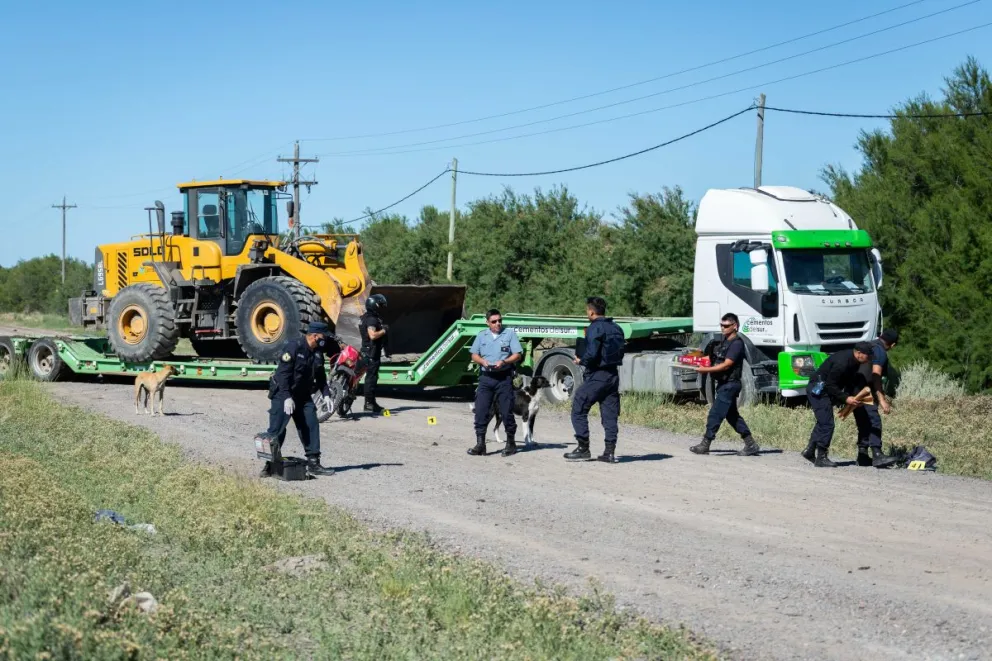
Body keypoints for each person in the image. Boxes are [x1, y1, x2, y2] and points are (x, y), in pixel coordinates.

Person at [259, 321, 336, 477]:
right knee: (277, 430)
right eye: (324, 337)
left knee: (311, 424)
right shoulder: (294, 347)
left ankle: (313, 463)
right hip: (283, 393)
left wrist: (326, 394)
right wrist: (287, 397)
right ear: (315, 336)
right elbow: (283, 375)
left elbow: (321, 376)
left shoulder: (317, 352)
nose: (326, 340)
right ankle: (270, 465)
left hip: (303, 395)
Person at [689, 313, 760, 457]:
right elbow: (713, 358)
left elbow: (727, 365)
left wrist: (705, 370)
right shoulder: (724, 342)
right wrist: (693, 358)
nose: (723, 328)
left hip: (730, 384)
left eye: (726, 326)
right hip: (723, 384)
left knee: (715, 414)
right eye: (721, 325)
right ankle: (750, 444)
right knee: (732, 416)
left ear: (735, 326)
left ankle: (705, 444)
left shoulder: (737, 344)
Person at [565, 296, 625, 464]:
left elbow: (591, 353)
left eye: (587, 310)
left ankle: (583, 448)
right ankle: (609, 452)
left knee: (579, 405)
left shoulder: (594, 328)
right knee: (610, 415)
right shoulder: (616, 328)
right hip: (613, 376)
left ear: (591, 312)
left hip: (597, 376)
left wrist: (581, 360)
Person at [802, 341, 876, 468]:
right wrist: (846, 398)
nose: (869, 358)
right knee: (827, 424)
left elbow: (847, 381)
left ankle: (810, 450)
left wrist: (855, 399)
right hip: (818, 390)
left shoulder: (854, 361)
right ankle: (821, 457)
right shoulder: (842, 362)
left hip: (825, 390)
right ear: (859, 353)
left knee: (823, 422)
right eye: (868, 355)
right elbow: (830, 385)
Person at [467, 309, 523, 457]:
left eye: (499, 320)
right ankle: (480, 444)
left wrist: (504, 361)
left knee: (506, 412)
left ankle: (511, 443)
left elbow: (517, 354)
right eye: (494, 321)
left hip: (503, 379)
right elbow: (474, 354)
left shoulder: (509, 334)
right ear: (487, 323)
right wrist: (482, 361)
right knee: (481, 411)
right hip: (486, 379)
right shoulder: (482, 336)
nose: (498, 323)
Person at [853, 329, 900, 468]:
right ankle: (877, 454)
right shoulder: (880, 351)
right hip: (864, 390)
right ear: (892, 345)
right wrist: (882, 399)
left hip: (853, 388)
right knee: (874, 420)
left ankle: (862, 455)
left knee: (863, 421)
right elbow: (876, 375)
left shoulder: (869, 345)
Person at [359, 293, 388, 414]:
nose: (381, 308)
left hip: (366, 351)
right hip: (371, 353)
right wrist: (384, 330)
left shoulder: (365, 317)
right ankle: (369, 404)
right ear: (374, 305)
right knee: (371, 379)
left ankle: (370, 402)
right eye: (380, 305)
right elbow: (372, 335)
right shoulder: (372, 319)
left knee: (363, 378)